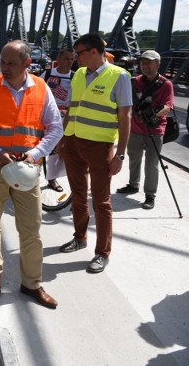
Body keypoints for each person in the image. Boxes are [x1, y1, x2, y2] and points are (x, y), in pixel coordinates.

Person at [0, 40, 63, 309]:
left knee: (31, 229)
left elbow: (56, 128)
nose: (4, 68)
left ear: (27, 64)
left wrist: (35, 153)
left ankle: (32, 283)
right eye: (3, 62)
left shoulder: (41, 89)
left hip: (27, 170)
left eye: (11, 63)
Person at [58, 33, 132, 274]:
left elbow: (125, 117)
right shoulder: (79, 74)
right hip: (73, 143)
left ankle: (102, 253)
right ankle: (80, 237)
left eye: (78, 53)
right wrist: (63, 137)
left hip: (100, 147)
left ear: (93, 51)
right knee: (78, 195)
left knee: (101, 202)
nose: (75, 58)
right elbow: (70, 108)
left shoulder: (119, 76)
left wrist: (120, 154)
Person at [116, 50, 174, 209]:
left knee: (151, 164)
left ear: (158, 64)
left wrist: (153, 116)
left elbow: (168, 106)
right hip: (135, 128)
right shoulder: (135, 82)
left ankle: (150, 195)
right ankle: (133, 185)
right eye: (142, 62)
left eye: (149, 62)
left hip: (154, 131)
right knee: (134, 158)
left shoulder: (165, 84)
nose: (145, 65)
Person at [40, 47, 75, 192]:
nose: (69, 62)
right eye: (67, 58)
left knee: (55, 149)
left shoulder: (75, 77)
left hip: (63, 117)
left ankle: (51, 179)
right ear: (59, 59)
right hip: (44, 116)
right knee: (36, 146)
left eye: (72, 59)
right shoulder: (47, 74)